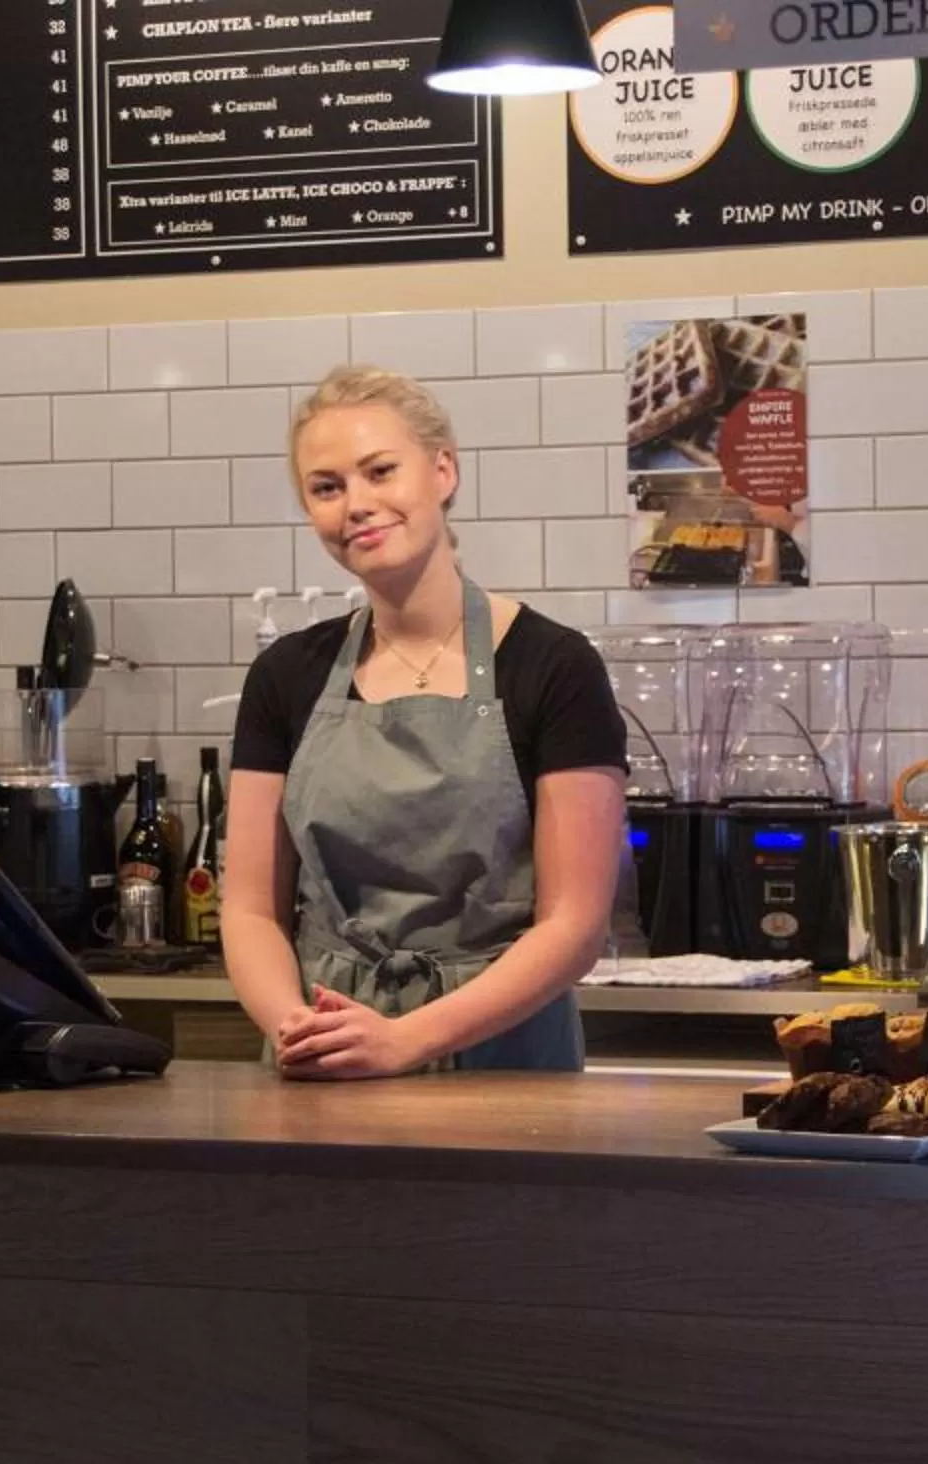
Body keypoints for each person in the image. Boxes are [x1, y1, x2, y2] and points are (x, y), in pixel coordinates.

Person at [220, 366, 627, 1078]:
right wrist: (296, 1027)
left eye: (381, 471)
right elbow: (251, 909)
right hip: (328, 1049)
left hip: (503, 1057)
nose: (357, 504)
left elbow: (573, 926)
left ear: (443, 471)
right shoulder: (286, 675)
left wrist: (405, 1040)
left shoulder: (553, 666)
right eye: (327, 488)